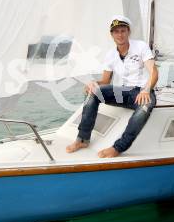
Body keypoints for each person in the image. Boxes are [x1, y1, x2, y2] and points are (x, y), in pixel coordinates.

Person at [66, 15, 158, 158]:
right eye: (116, 32)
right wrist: (94, 83)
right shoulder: (110, 54)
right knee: (94, 91)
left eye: (122, 31)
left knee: (145, 106)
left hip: (142, 91)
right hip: (123, 92)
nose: (119, 35)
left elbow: (154, 72)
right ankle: (82, 139)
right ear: (112, 35)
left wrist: (146, 90)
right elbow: (105, 80)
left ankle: (118, 148)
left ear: (128, 32)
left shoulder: (140, 46)